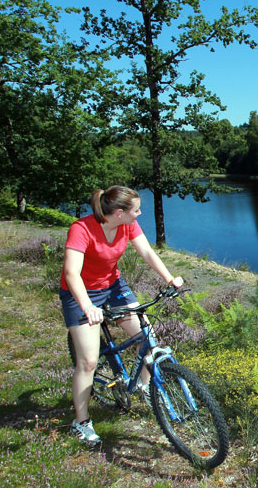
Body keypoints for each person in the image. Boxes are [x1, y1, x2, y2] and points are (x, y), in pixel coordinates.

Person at [60, 186, 183, 444]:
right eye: (136, 210)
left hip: (113, 285)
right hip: (80, 293)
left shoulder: (127, 225)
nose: (139, 214)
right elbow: (71, 273)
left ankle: (146, 388)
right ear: (119, 213)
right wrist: (88, 307)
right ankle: (81, 423)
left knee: (146, 336)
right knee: (88, 362)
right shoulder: (81, 229)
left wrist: (169, 278)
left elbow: (147, 252)